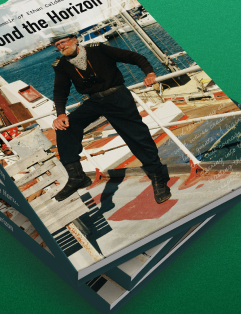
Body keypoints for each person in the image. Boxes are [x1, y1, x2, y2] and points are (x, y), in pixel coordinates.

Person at [50, 33, 171, 204]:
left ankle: (159, 178)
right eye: (57, 45)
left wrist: (149, 73)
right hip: (94, 101)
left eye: (63, 42)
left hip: (117, 96)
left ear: (75, 40)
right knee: (65, 127)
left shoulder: (98, 49)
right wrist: (61, 113)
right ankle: (77, 176)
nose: (61, 47)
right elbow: (60, 90)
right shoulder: (61, 65)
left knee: (137, 137)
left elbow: (134, 57)